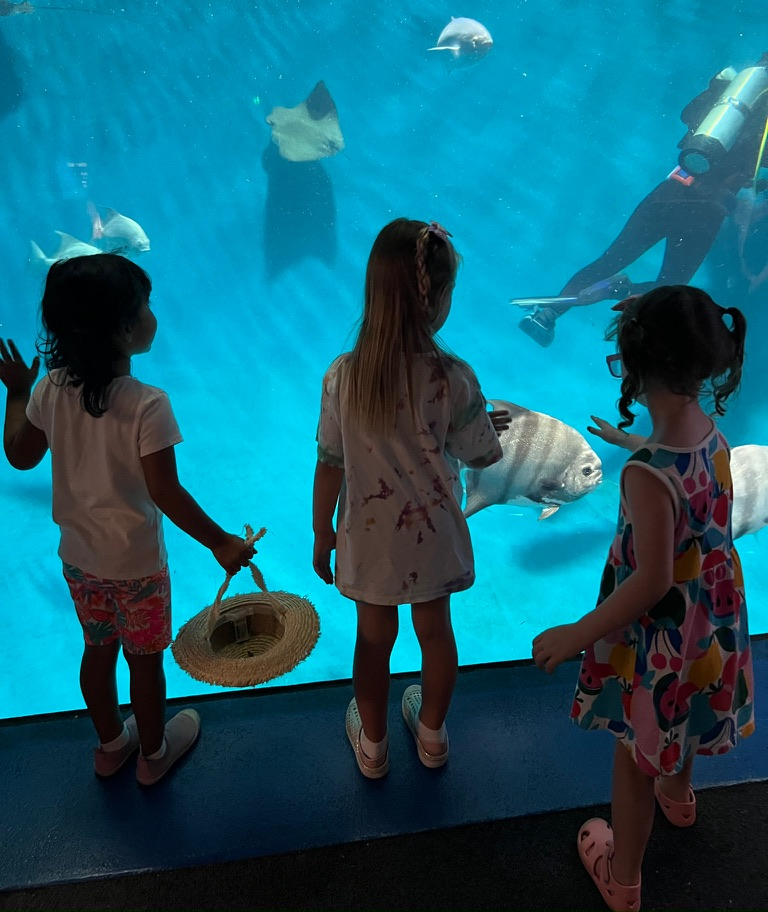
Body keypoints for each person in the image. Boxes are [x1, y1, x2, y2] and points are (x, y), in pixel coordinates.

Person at [531, 286, 754, 912]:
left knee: (635, 752)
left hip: (661, 635)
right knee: (682, 721)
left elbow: (652, 580)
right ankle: (679, 801)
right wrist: (637, 447)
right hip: (710, 622)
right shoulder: (712, 434)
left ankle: (622, 878)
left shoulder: (644, 476)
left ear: (632, 367)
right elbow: (682, 477)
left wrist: (577, 634)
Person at [0, 254, 254, 785]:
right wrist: (221, 542)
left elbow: (20, 456)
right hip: (136, 568)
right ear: (123, 329)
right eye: (145, 306)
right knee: (145, 663)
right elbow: (165, 491)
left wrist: (18, 392)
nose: (152, 315)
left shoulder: (51, 390)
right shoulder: (147, 405)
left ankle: (111, 745)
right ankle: (153, 756)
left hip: (80, 564)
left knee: (97, 653)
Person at [312, 218, 508, 778]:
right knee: (435, 633)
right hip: (433, 538)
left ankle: (373, 749)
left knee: (373, 641)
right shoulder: (453, 377)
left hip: (370, 542)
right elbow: (480, 456)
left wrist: (321, 531)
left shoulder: (343, 377)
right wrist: (477, 417)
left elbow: (330, 463)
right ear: (438, 299)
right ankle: (432, 738)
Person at [518, 54, 768, 348]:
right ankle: (618, 290)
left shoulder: (736, 91)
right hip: (707, 214)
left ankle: (548, 314)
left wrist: (719, 89)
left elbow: (687, 117)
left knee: (610, 260)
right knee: (670, 288)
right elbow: (752, 179)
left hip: (674, 191)